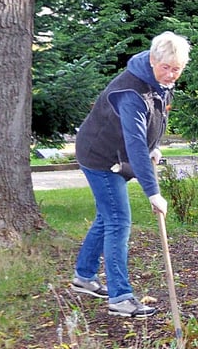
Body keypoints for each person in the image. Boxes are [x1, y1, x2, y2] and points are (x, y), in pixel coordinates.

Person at [70, 31, 190, 317]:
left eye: (177, 69)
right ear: (152, 60)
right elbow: (134, 143)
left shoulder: (160, 82)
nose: (172, 75)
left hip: (114, 154)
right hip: (100, 157)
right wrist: (154, 193)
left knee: (106, 217)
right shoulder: (131, 92)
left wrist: (155, 145)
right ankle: (120, 298)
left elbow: (158, 116)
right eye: (166, 68)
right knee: (118, 221)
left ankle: (84, 277)